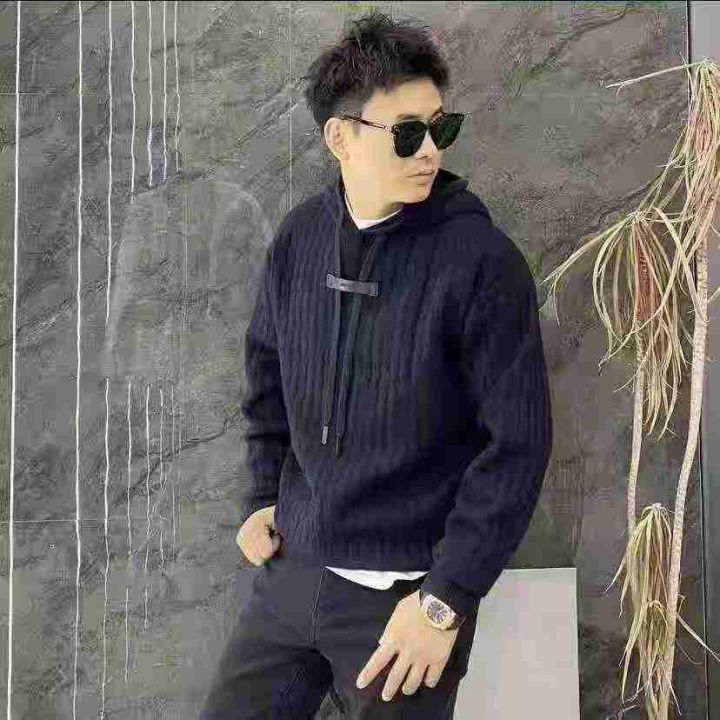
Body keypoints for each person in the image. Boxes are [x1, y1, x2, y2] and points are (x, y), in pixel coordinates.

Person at [200, 10, 553, 719]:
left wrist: (444, 602)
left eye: (441, 129)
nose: (430, 152)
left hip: (404, 603)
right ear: (341, 138)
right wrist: (262, 495)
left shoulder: (481, 264)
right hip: (292, 576)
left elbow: (517, 446)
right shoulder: (300, 238)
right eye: (407, 133)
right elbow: (267, 379)